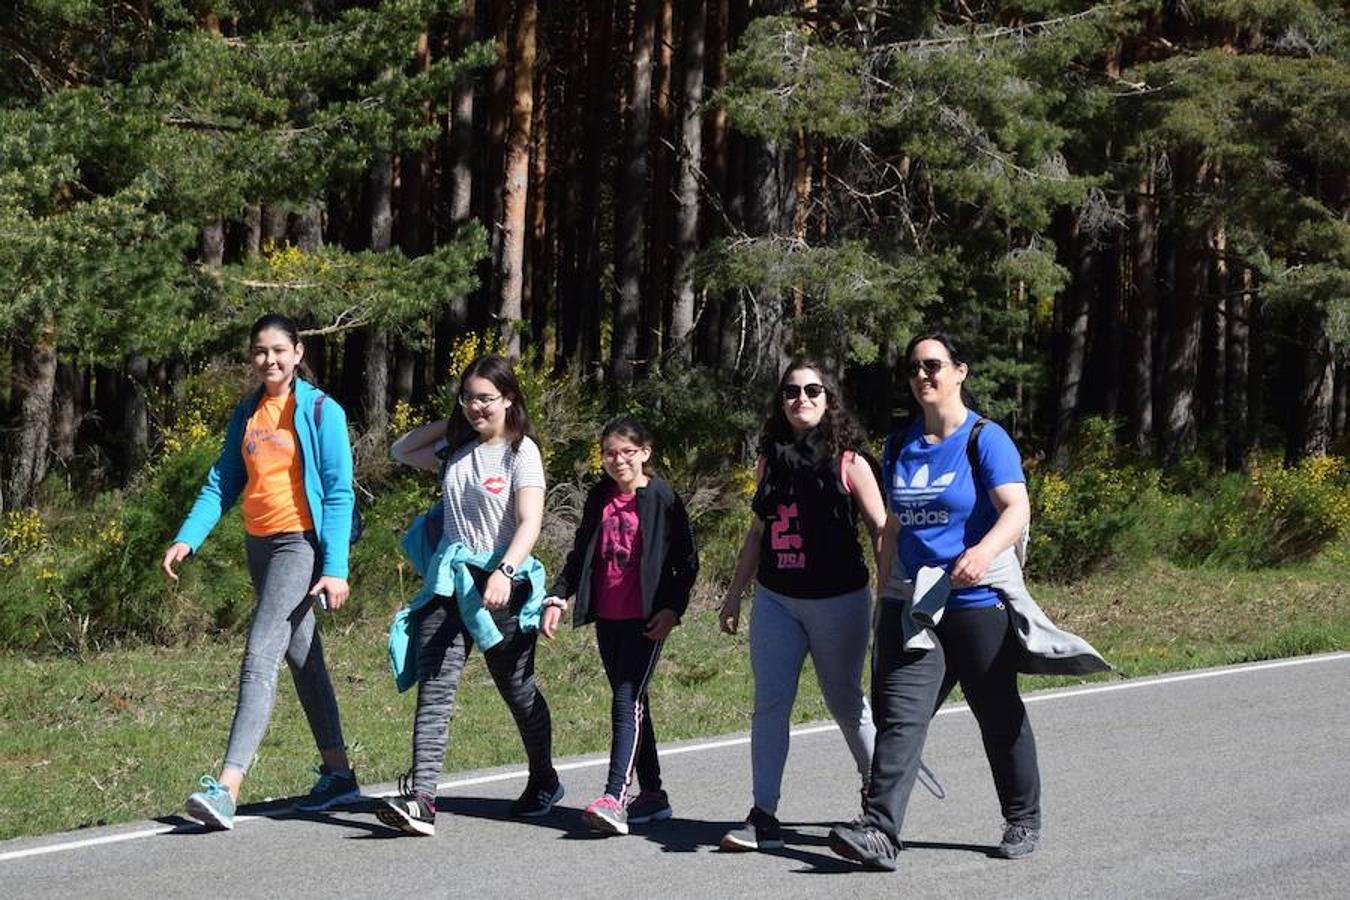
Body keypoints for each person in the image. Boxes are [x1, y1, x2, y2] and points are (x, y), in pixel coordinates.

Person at [828, 330, 1108, 871]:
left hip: (978, 600)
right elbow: (892, 529)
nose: (923, 375)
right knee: (900, 718)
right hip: (916, 601)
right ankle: (880, 831)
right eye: (914, 367)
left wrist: (983, 551)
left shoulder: (986, 438)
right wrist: (883, 597)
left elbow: (1016, 509)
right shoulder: (897, 445)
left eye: (933, 364)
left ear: (960, 371)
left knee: (996, 712)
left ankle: (1023, 817)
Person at [162, 313, 359, 831]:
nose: (267, 360)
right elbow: (224, 479)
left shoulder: (321, 410)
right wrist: (188, 536)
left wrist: (334, 567)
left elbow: (339, 493)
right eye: (258, 351)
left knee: (260, 653)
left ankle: (227, 787)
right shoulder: (248, 411)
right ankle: (339, 774)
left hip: (300, 546)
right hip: (260, 546)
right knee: (302, 656)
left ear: (298, 352)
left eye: (277, 350)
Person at [376, 354, 561, 836]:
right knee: (435, 686)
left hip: (503, 585)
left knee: (518, 692)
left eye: (487, 399)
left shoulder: (522, 452)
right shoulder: (455, 451)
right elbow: (401, 449)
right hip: (449, 580)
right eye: (469, 398)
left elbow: (530, 522)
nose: (478, 408)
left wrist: (504, 571)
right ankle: (422, 800)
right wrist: (457, 419)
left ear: (510, 398)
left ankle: (544, 779)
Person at [717, 360, 888, 851]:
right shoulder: (769, 459)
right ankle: (763, 813)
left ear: (829, 399)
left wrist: (888, 596)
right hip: (777, 599)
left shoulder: (849, 461)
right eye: (791, 392)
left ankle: (879, 795)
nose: (802, 399)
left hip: (839, 601)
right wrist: (734, 595)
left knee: (844, 701)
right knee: (770, 705)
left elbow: (881, 530)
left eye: (813, 390)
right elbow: (758, 531)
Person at [546, 416, 699, 836]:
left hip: (646, 618)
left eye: (627, 452)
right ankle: (653, 795)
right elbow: (581, 553)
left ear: (645, 453)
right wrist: (559, 594)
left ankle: (614, 797)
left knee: (625, 700)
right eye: (610, 453)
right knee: (633, 703)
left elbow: (687, 562)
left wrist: (673, 609)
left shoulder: (663, 497)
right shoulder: (600, 497)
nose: (618, 461)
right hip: (608, 617)